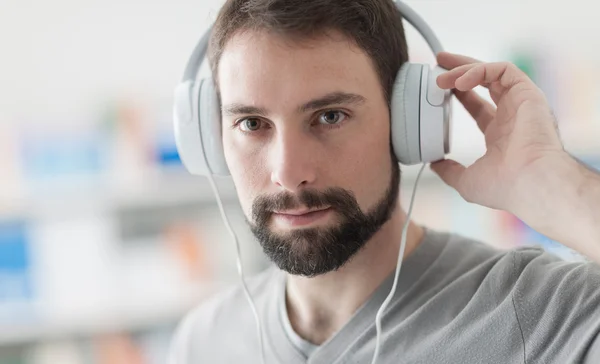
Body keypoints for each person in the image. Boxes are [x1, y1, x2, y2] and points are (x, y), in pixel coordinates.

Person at [168, 0, 600, 363]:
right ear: (209, 138)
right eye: (252, 123)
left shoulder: (540, 313)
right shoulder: (202, 342)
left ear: (408, 122)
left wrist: (554, 182)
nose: (288, 172)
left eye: (330, 116)